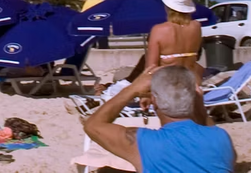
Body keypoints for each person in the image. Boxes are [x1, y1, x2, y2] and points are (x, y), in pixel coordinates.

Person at [84, 66, 235, 173]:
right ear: (194, 97)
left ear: (154, 101)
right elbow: (208, 129)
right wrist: (198, 103)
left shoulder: (142, 142)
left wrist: (132, 89)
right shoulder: (221, 138)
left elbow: (93, 125)